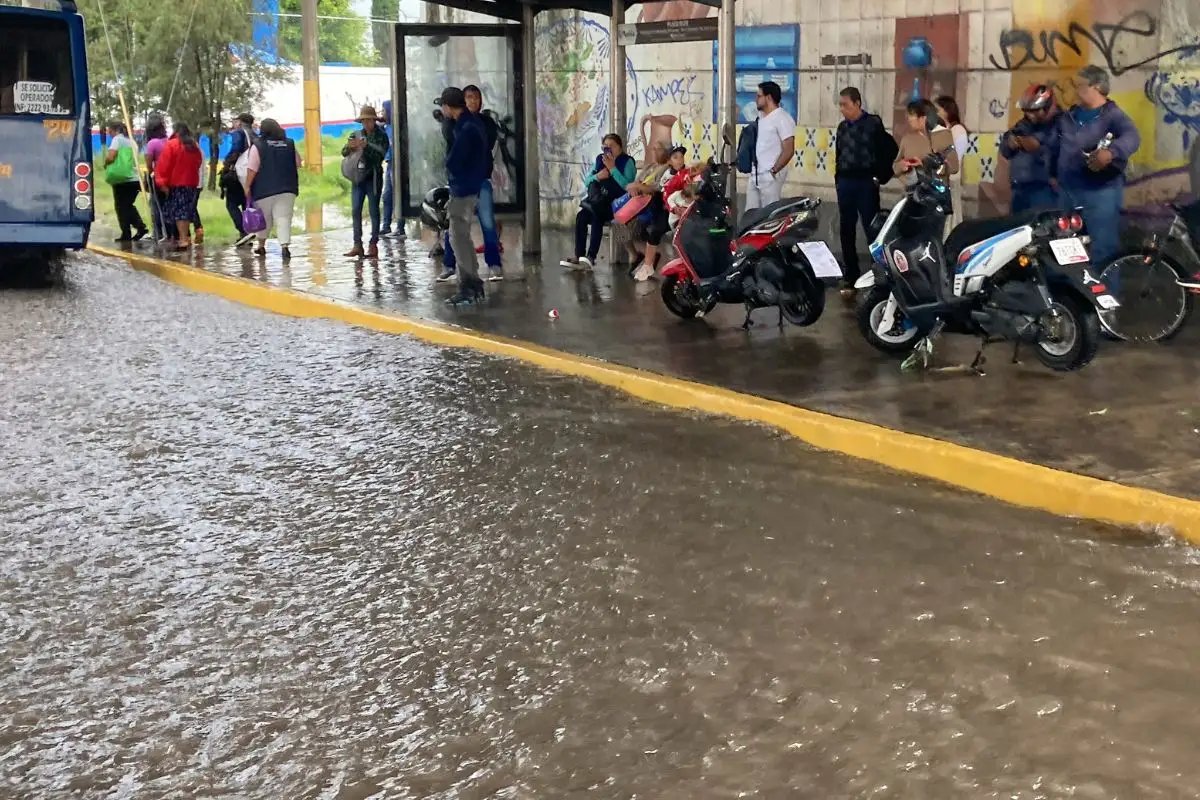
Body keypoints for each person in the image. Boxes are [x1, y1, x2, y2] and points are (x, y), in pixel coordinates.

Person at [1049, 66, 1140, 267]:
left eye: (1079, 85)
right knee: (1064, 247)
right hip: (1068, 191)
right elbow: (1054, 146)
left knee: (1103, 248)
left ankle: (1106, 294)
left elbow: (1132, 138)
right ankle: (1070, 295)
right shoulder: (1068, 116)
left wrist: (1111, 152)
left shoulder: (1113, 115)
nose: (1074, 90)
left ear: (1097, 87)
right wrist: (1052, 173)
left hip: (1101, 192)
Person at [439, 85, 504, 283]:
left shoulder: (477, 124)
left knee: (484, 223)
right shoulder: (454, 124)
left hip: (476, 180)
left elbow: (458, 157)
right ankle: (451, 266)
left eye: (476, 98)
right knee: (456, 229)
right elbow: (451, 145)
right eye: (469, 98)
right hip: (463, 182)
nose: (473, 101)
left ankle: (491, 266)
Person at [833, 87, 888, 294]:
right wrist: (838, 179)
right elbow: (838, 153)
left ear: (857, 104)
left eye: (845, 105)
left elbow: (886, 151)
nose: (842, 109)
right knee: (846, 228)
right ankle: (851, 273)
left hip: (866, 182)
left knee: (872, 227)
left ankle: (880, 271)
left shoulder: (873, 124)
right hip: (846, 182)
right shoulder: (842, 128)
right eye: (840, 105)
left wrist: (878, 177)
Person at [559, 133, 637, 269]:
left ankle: (591, 257)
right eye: (605, 146)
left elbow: (628, 186)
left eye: (611, 146)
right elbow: (587, 180)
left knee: (597, 217)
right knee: (581, 217)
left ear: (620, 147)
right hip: (599, 201)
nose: (608, 149)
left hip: (617, 204)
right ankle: (579, 255)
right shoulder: (600, 160)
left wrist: (613, 169)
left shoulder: (627, 162)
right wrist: (597, 176)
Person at [244, 118, 301, 261]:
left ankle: (261, 246)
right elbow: (298, 163)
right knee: (283, 218)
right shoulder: (289, 143)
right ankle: (284, 247)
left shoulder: (258, 145)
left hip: (264, 188)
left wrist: (247, 186)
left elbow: (252, 168)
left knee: (264, 219)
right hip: (288, 188)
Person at [998, 84, 1060, 214]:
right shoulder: (1025, 123)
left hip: (1045, 190)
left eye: (1033, 111)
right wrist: (1013, 142)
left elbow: (1035, 144)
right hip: (1020, 189)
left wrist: (1019, 141)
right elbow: (1007, 143)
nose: (1029, 115)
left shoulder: (1059, 123)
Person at [342, 105, 390, 259]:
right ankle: (357, 244)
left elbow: (380, 156)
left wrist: (366, 147)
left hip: (373, 177)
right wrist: (350, 146)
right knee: (356, 210)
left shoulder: (381, 136)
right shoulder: (354, 134)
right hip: (358, 178)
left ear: (373, 120)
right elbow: (344, 152)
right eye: (363, 121)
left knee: (373, 210)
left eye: (369, 120)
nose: (366, 123)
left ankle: (373, 244)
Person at [632, 144, 685, 282]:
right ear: (669, 160)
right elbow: (662, 193)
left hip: (684, 211)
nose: (679, 160)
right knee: (655, 231)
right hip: (668, 210)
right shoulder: (665, 174)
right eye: (675, 157)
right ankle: (648, 264)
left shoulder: (688, 174)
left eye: (681, 157)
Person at [746, 80, 796, 211]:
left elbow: (789, 149)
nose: (756, 99)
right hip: (755, 175)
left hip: (770, 177)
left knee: (768, 216)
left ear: (768, 97)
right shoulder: (761, 118)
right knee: (750, 216)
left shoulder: (782, 118)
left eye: (759, 96)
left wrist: (773, 171)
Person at [153, 122, 204, 251]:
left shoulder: (172, 145)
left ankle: (182, 240)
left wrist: (162, 182)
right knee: (186, 211)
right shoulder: (194, 146)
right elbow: (198, 163)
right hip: (191, 183)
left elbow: (164, 165)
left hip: (176, 183)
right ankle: (184, 237)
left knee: (177, 212)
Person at [622, 140, 670, 270]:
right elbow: (635, 182)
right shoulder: (650, 167)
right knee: (617, 223)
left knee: (629, 225)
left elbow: (658, 189)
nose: (654, 152)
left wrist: (640, 187)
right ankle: (635, 254)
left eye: (658, 149)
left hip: (651, 207)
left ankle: (647, 256)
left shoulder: (667, 169)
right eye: (653, 149)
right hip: (637, 203)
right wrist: (634, 186)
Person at [894, 100, 960, 181]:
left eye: (911, 114)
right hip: (911, 191)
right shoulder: (907, 138)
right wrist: (901, 166)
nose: (908, 118)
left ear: (923, 118)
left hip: (936, 191)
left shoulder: (943, 135)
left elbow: (954, 167)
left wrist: (926, 165)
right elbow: (896, 165)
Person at [103, 121, 147, 242]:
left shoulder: (118, 139)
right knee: (127, 205)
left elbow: (111, 156)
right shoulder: (132, 141)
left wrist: (105, 163)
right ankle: (138, 228)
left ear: (114, 130)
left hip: (122, 180)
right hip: (135, 179)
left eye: (109, 132)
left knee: (121, 207)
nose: (109, 134)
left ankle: (131, 231)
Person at [934, 95, 970, 229]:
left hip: (951, 178)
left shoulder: (957, 130)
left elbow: (955, 155)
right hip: (940, 179)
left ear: (947, 110)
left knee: (951, 216)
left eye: (937, 109)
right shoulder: (941, 130)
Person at [221, 112, 256, 245]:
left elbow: (235, 149)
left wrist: (227, 162)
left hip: (237, 174)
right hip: (251, 174)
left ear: (240, 122)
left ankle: (243, 231)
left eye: (235, 121)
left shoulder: (239, 133)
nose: (234, 124)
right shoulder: (255, 135)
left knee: (231, 204)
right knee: (245, 203)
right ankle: (249, 229)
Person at [143, 115, 171, 242]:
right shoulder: (169, 140)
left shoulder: (152, 143)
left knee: (155, 205)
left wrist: (151, 173)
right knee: (168, 205)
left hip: (158, 178)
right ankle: (170, 232)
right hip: (171, 177)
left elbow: (149, 163)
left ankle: (158, 232)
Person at [379, 100, 403, 240]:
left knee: (399, 196)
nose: (383, 113)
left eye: (384, 110)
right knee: (387, 195)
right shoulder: (385, 127)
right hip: (389, 164)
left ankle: (400, 227)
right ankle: (386, 225)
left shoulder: (397, 127)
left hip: (398, 164)